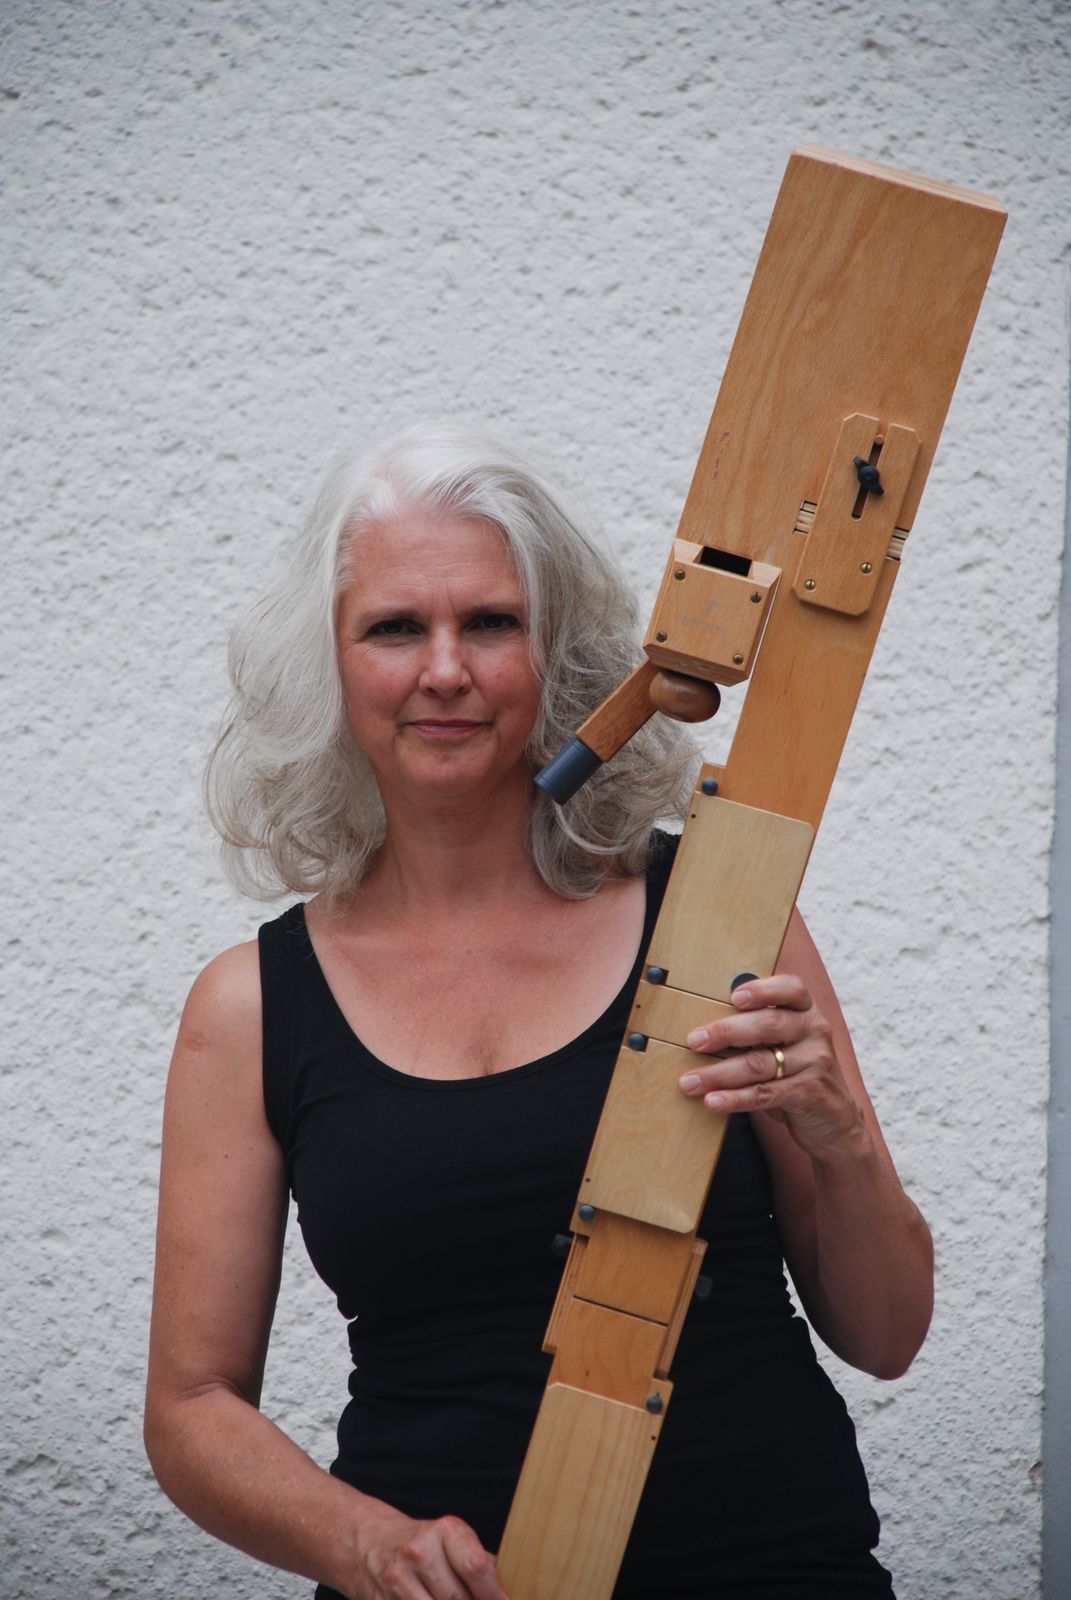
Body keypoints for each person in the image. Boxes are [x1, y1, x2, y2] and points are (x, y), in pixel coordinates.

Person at [144, 424, 934, 1600]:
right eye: (394, 627)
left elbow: (887, 1333)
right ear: (329, 663)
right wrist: (364, 1543)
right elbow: (191, 1406)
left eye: (491, 622)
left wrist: (844, 1139)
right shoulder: (253, 1005)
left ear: (557, 653)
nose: (445, 669)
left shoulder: (716, 911)